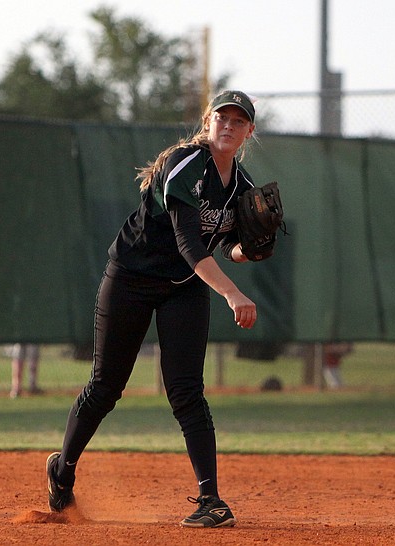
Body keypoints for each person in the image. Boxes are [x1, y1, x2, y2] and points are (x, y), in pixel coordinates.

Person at [45, 90, 263, 528]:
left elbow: (232, 246)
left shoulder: (242, 187)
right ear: (208, 120)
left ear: (248, 133)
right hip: (131, 278)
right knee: (107, 385)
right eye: (222, 117)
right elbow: (188, 243)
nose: (228, 126)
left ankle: (211, 501)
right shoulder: (183, 165)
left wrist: (253, 248)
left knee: (186, 390)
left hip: (184, 286)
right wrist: (232, 293)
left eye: (238, 121)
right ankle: (62, 470)